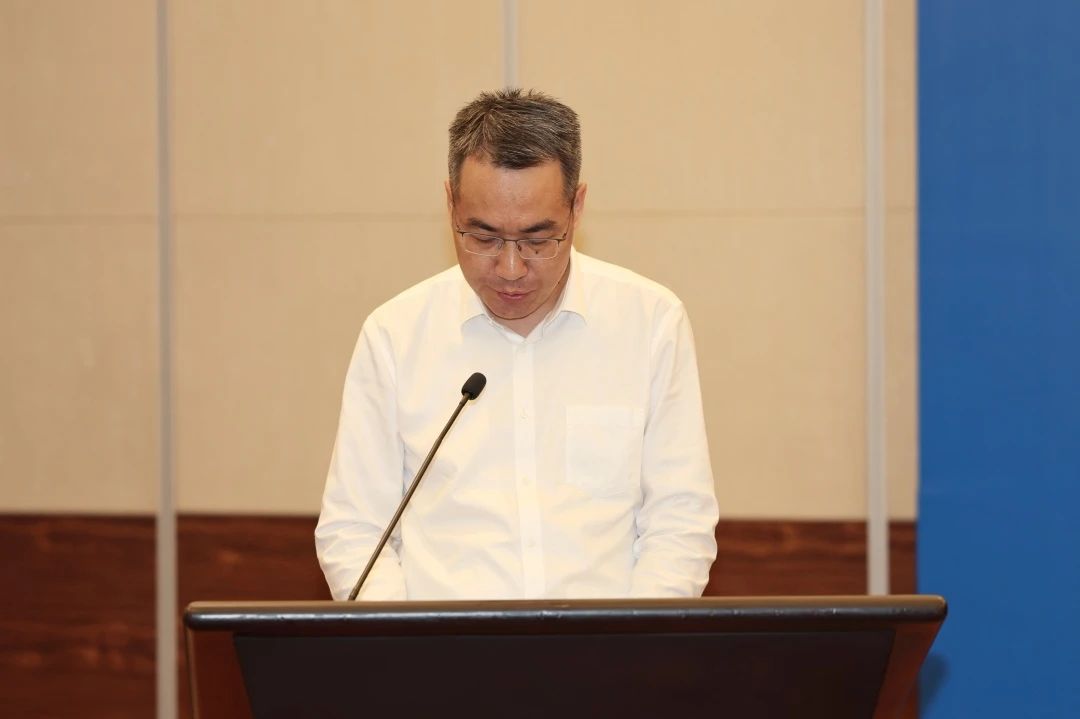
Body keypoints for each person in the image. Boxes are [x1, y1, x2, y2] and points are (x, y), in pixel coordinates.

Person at [315, 88, 718, 600]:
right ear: (450, 205)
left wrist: (628, 641)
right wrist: (410, 642)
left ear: (577, 207)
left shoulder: (650, 322)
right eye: (483, 237)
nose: (509, 268)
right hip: (443, 646)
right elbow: (355, 531)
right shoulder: (395, 335)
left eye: (537, 239)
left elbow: (678, 522)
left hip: (606, 645)